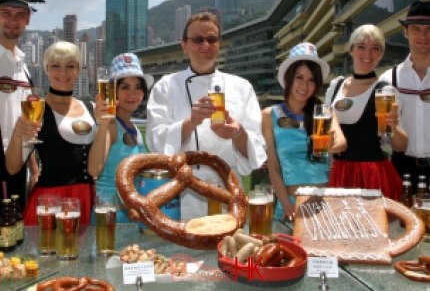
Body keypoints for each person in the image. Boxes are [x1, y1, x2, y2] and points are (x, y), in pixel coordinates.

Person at [146, 12, 267, 219]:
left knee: (226, 247)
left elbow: (257, 144)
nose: (206, 45)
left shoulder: (241, 87)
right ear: (184, 45)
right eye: (198, 39)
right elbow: (155, 140)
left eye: (212, 39)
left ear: (219, 44)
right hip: (182, 190)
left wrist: (238, 132)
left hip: (228, 187)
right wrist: (191, 122)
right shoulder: (166, 86)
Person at [6, 41, 102, 225]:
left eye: (70, 66)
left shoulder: (91, 108)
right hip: (51, 202)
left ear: (79, 70)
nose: (63, 73)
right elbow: (12, 167)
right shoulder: (36, 111)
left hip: (87, 200)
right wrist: (17, 135)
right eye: (56, 66)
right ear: (47, 69)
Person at [326, 24, 408, 201]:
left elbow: (401, 146)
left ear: (381, 53)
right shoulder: (335, 86)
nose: (367, 54)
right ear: (351, 49)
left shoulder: (385, 92)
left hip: (371, 175)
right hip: (339, 173)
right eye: (361, 47)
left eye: (375, 48)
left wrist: (393, 126)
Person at [262, 42, 340, 221]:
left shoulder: (324, 113)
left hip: (322, 207)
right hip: (289, 207)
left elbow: (342, 143)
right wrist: (288, 207)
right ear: (288, 77)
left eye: (311, 80)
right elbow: (273, 168)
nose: (304, 85)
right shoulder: (269, 115)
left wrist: (332, 143)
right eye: (299, 77)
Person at [88, 53, 153, 223]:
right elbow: (94, 170)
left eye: (138, 87)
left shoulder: (134, 128)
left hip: (132, 214)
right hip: (111, 216)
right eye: (125, 87)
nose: (133, 93)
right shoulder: (110, 125)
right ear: (113, 91)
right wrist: (102, 125)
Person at [0, 0, 44, 210]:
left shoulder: (23, 65)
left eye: (19, 15)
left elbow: (24, 121)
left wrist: (34, 169)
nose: (12, 20)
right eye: (5, 13)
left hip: (19, 172)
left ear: (28, 19)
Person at [380, 0, 430, 194]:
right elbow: (383, 135)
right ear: (406, 32)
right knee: (406, 224)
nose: (423, 36)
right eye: (416, 29)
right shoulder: (389, 79)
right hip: (402, 169)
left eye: (428, 29)